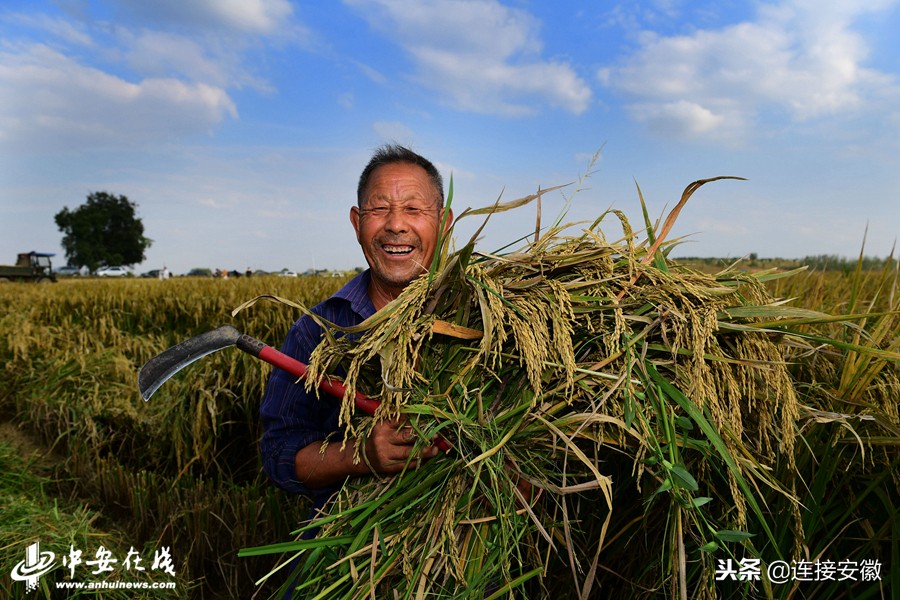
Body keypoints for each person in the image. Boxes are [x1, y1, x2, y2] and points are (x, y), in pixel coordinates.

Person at [259, 145, 453, 527]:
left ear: (444, 222)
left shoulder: (493, 319)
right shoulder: (317, 331)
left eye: (414, 209)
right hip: (349, 548)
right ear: (356, 222)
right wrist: (360, 455)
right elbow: (278, 454)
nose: (396, 224)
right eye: (379, 209)